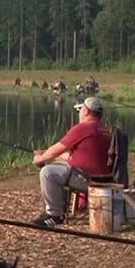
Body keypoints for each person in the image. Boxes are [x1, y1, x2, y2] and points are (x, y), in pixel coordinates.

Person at [30, 96, 111, 227]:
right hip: (104, 178)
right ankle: (59, 209)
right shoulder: (104, 130)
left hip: (86, 179)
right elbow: (74, 156)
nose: (79, 114)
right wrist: (46, 154)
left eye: (80, 110)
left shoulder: (83, 128)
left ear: (86, 111)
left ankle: (54, 215)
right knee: (58, 167)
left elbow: (57, 149)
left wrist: (40, 158)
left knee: (48, 172)